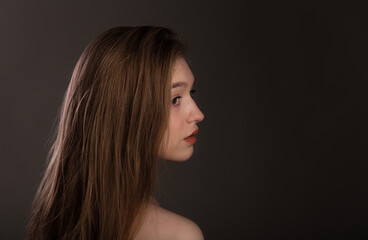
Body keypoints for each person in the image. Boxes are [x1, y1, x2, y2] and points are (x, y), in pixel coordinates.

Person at [26, 26, 205, 240]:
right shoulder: (181, 235)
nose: (198, 114)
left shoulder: (55, 218)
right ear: (125, 111)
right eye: (175, 99)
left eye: (190, 93)